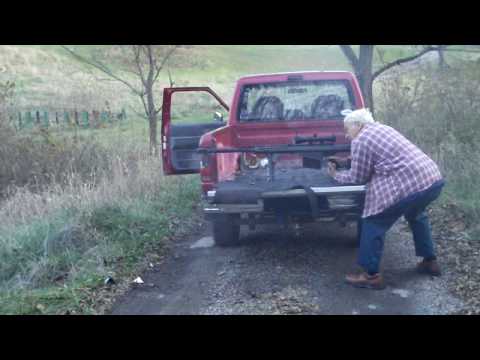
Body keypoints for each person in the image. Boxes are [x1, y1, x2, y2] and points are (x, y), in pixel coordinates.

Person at [327, 108, 444, 290]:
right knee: (416, 214)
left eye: (347, 129)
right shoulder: (383, 129)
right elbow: (377, 153)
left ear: (358, 125)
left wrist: (336, 174)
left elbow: (358, 177)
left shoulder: (360, 139)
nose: (346, 135)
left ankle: (370, 276)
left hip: (410, 186)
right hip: (432, 180)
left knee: (373, 221)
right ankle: (430, 261)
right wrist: (347, 160)